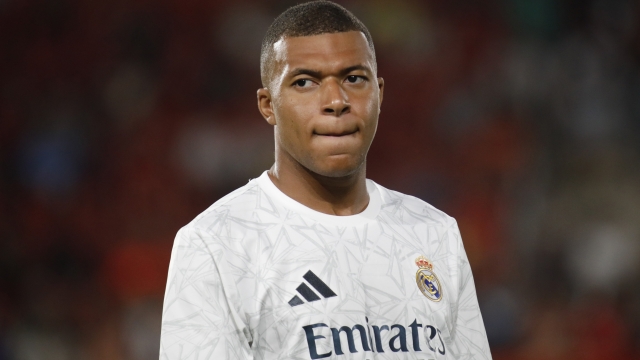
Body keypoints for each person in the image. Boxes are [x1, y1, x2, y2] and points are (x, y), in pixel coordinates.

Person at [159, 1, 492, 359]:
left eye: (354, 78)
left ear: (379, 93)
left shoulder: (435, 233)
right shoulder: (216, 246)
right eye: (305, 82)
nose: (336, 100)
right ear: (268, 105)